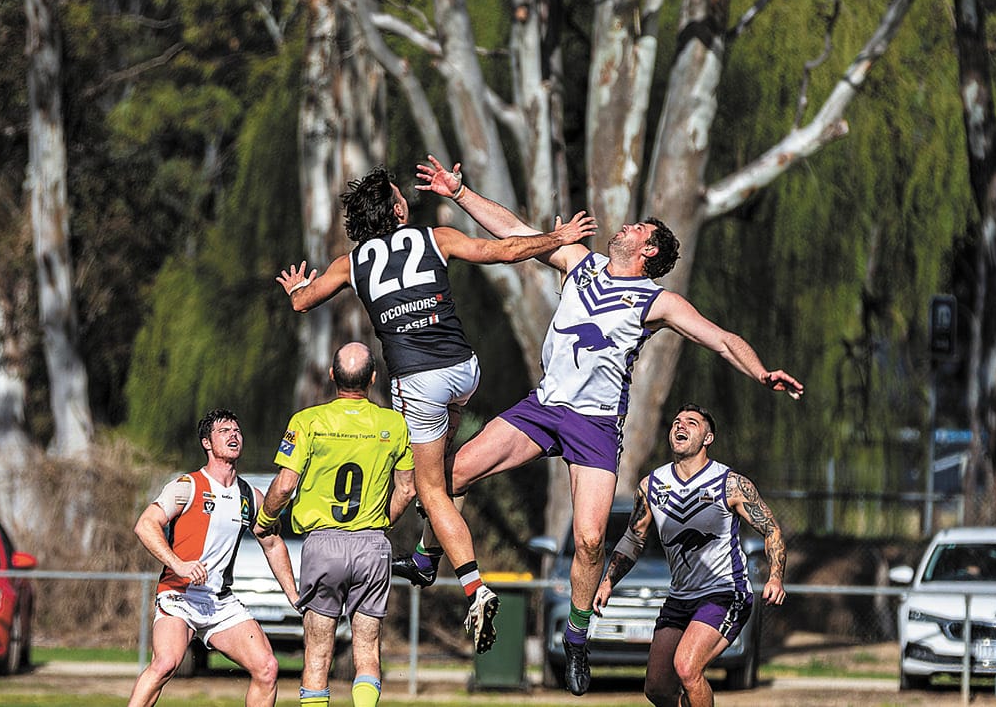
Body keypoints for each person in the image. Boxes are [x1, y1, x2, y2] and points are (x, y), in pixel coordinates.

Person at [414, 155, 804, 695]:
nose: (625, 225)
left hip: (595, 426)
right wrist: (460, 193)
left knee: (592, 539)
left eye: (638, 227)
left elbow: (718, 337)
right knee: (448, 476)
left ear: (649, 250)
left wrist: (760, 370)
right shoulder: (581, 262)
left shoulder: (657, 300)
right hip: (543, 408)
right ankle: (429, 553)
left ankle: (577, 638)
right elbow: (514, 231)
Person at [276, 165, 595, 654]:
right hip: (464, 370)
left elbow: (302, 304)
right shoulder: (435, 236)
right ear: (399, 209)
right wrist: (560, 236)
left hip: (419, 381)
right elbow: (504, 251)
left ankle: (474, 585)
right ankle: (425, 559)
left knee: (427, 487)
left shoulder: (350, 264)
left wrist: (296, 287)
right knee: (444, 473)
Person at [255, 342, 415, 707]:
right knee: (367, 651)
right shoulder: (394, 424)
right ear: (373, 379)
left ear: (331, 376)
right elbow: (406, 490)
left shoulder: (308, 422)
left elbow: (285, 484)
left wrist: (266, 520)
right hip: (372, 546)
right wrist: (377, 525)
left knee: (317, 655)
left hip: (323, 544)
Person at [595, 405, 788, 707]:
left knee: (687, 668)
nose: (680, 426)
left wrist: (776, 576)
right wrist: (607, 582)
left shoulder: (731, 483)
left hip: (724, 594)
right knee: (658, 689)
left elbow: (772, 530)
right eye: (676, 422)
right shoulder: (651, 486)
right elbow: (633, 538)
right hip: (680, 598)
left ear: (708, 437)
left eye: (691, 423)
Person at [127, 410, 295, 707]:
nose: (234, 435)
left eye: (237, 431)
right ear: (207, 442)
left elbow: (272, 544)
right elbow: (145, 525)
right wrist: (179, 564)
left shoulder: (250, 496)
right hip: (179, 595)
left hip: (220, 601)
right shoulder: (186, 486)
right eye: (224, 431)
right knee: (166, 662)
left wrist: (294, 594)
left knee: (267, 668)